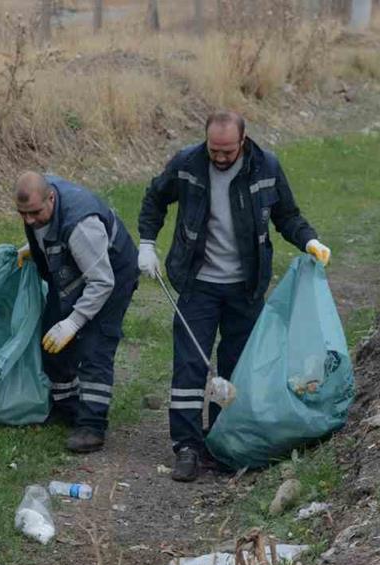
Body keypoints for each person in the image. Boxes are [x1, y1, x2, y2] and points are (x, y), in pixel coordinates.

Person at [137, 110, 331, 482]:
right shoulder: (188, 163)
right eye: (215, 150)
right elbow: (154, 198)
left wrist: (309, 240)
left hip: (246, 287)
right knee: (190, 366)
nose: (221, 158)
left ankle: (222, 441)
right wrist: (147, 243)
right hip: (198, 283)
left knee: (237, 367)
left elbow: (286, 215)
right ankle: (187, 448)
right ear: (206, 142)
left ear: (243, 142)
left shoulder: (266, 167)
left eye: (228, 151)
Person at [14, 171, 139, 454]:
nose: (29, 220)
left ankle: (91, 425)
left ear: (52, 198)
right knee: (50, 337)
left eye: (34, 213)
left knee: (95, 346)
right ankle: (67, 407)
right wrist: (34, 247)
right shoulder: (39, 203)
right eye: (22, 214)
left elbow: (101, 281)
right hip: (75, 270)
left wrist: (73, 322)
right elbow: (49, 232)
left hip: (112, 275)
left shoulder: (82, 225)